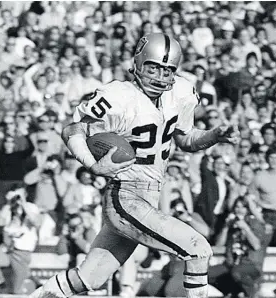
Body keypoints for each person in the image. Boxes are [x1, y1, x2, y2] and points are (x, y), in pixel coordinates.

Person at [30, 33, 240, 298]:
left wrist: (213, 136)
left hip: (150, 196)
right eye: (153, 68)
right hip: (126, 195)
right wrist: (93, 165)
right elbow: (73, 129)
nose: (159, 77)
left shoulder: (182, 92)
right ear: (138, 64)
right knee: (198, 249)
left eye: (167, 70)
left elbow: (186, 139)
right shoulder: (118, 95)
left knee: (88, 278)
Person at [209, 196, 268, 298]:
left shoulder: (255, 223)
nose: (239, 210)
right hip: (231, 263)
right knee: (206, 274)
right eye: (237, 207)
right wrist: (226, 228)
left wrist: (246, 228)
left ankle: (251, 293)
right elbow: (219, 245)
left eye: (242, 207)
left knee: (237, 272)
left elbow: (256, 245)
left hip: (251, 264)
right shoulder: (232, 223)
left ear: (248, 209)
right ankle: (232, 291)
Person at [250, 145, 276, 298]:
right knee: (258, 252)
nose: (273, 161)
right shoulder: (259, 176)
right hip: (265, 216)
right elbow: (250, 198)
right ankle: (255, 287)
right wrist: (259, 217)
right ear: (267, 159)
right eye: (270, 157)